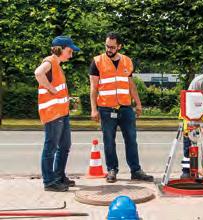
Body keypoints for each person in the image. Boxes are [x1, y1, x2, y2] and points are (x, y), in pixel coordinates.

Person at [89, 32, 153, 183]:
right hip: (106, 108)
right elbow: (93, 87)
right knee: (109, 140)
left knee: (131, 139)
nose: (109, 49)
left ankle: (136, 170)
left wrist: (138, 103)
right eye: (107, 46)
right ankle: (112, 170)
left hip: (125, 108)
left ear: (119, 46)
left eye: (112, 47)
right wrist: (93, 109)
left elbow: (131, 85)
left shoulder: (127, 61)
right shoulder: (97, 62)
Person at [35, 36, 80, 192]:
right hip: (53, 114)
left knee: (65, 146)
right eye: (69, 51)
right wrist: (50, 88)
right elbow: (38, 73)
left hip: (62, 113)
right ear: (60, 49)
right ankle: (49, 181)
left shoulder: (57, 65)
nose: (71, 54)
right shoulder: (49, 62)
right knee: (51, 147)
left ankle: (59, 176)